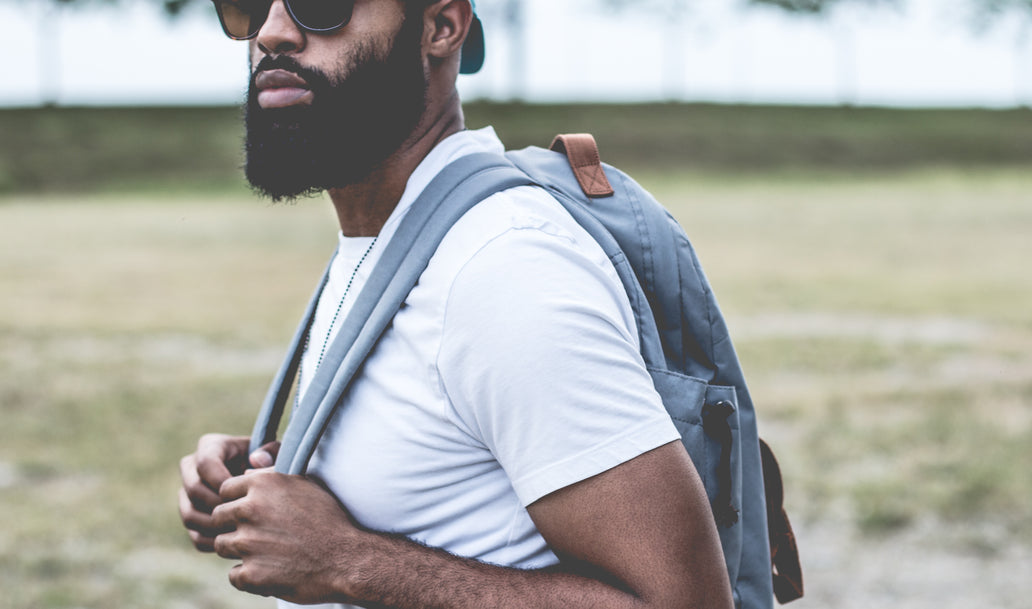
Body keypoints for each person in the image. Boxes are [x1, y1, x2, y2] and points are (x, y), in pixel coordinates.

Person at [177, 1, 735, 608]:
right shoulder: (398, 232)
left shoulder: (503, 269)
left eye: (322, 4)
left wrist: (349, 561)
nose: (272, 34)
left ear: (441, 27)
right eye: (249, 6)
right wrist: (276, 474)